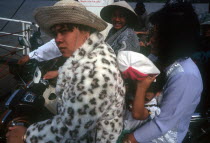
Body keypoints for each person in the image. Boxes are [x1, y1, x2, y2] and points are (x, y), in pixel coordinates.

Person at [6, 0, 125, 143]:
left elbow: (74, 128)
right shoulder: (94, 49)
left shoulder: (96, 74)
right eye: (55, 33)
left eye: (64, 31)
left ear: (86, 31)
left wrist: (26, 135)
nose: (58, 40)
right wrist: (60, 71)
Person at [123, 1, 203, 143]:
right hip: (136, 122)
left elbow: (163, 124)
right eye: (152, 33)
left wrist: (129, 139)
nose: (151, 40)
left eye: (158, 35)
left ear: (175, 39)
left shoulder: (186, 75)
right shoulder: (157, 58)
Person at [116, 51, 162, 143]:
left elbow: (137, 114)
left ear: (158, 94)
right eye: (135, 93)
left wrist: (142, 87)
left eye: (145, 98)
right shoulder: (130, 93)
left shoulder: (153, 109)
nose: (138, 97)